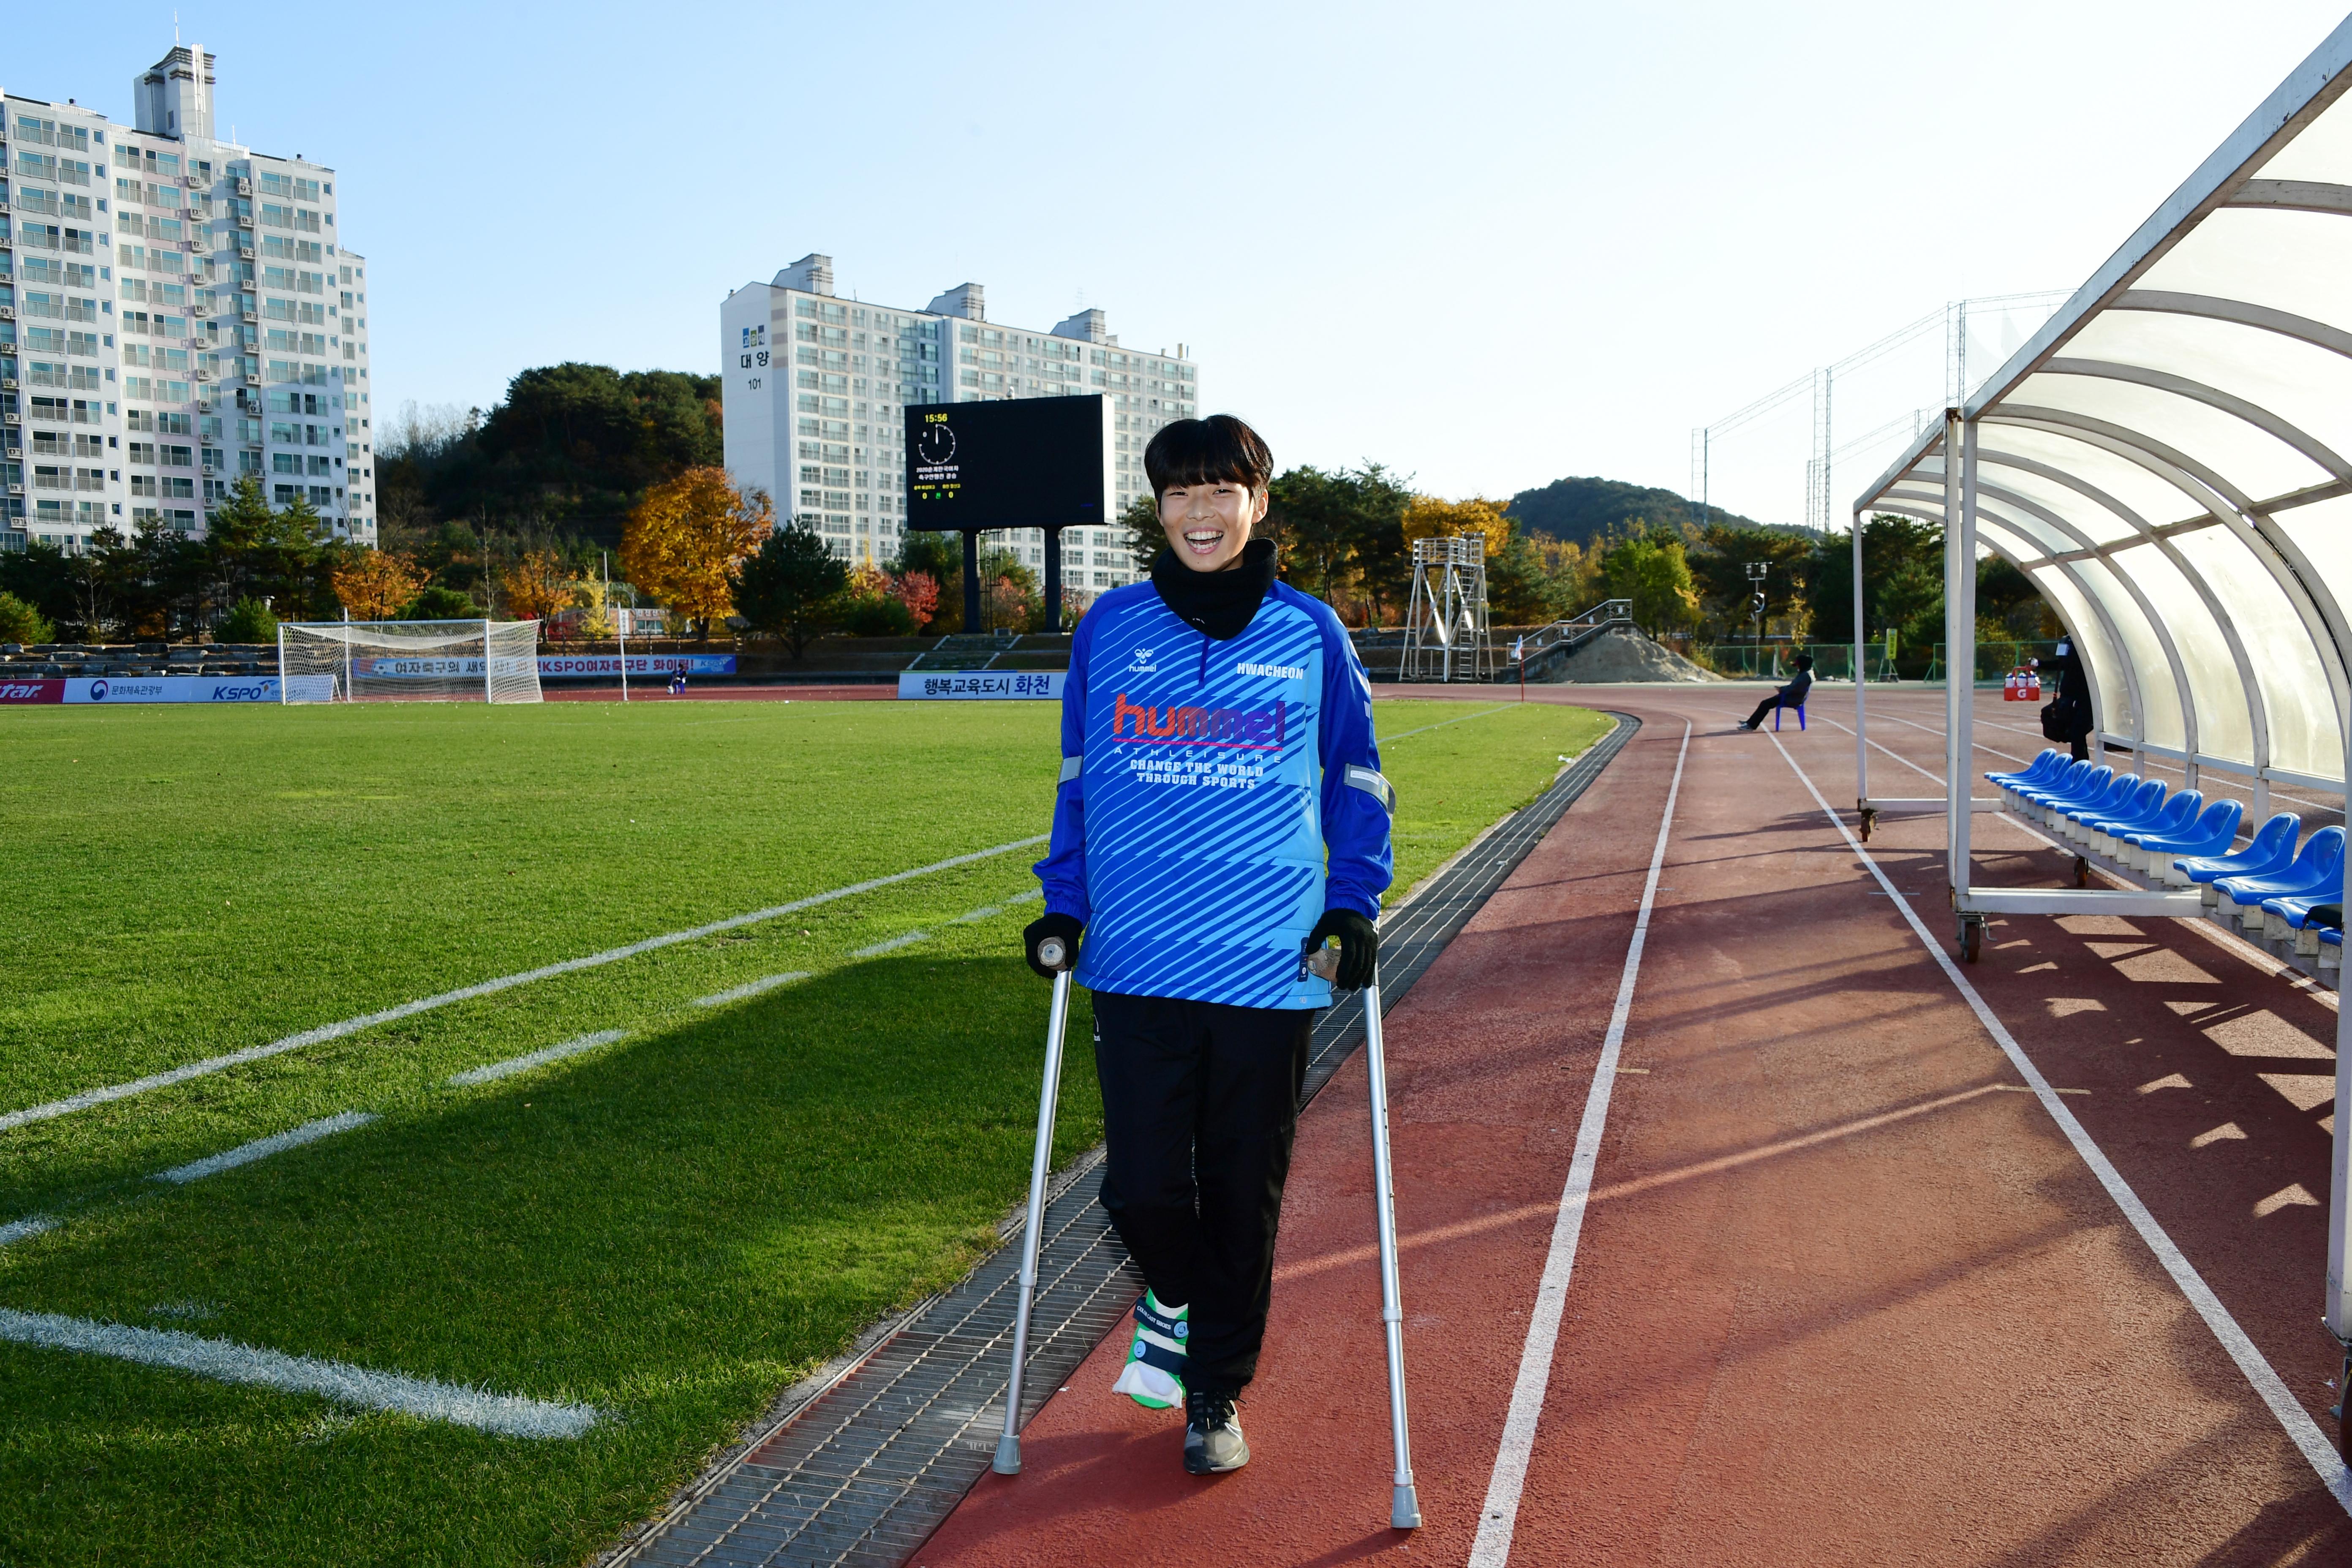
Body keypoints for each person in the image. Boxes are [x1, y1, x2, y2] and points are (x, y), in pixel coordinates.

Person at [1024, 414, 1393, 1478]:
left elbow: (1354, 778)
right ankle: (1174, 1304)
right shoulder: (1111, 628)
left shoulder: (1310, 631)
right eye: (1179, 491)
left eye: (1220, 490)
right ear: (1158, 505)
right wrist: (1066, 900)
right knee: (1138, 1191)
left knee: (1242, 1194)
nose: (1200, 510)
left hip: (1266, 964)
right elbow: (1079, 779)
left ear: (1256, 503)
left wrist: (1351, 904)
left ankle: (1213, 1394)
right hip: (1136, 957)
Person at [1736, 652, 1813, 730]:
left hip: (1793, 699)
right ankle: (1750, 722)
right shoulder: (1806, 673)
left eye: (1798, 665)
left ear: (1803, 665)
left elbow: (1795, 688)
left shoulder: (1805, 676)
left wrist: (1782, 690)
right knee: (1766, 703)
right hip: (1792, 696)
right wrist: (1783, 689)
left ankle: (1751, 726)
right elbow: (1794, 687)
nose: (1798, 668)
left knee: (1765, 704)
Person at [2046, 639, 2093, 761]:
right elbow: (2061, 664)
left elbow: (2070, 664)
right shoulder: (2066, 640)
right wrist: (2040, 665)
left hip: (2085, 696)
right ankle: (2080, 763)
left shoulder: (2087, 641)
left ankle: (2079, 763)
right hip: (2068, 697)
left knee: (2078, 732)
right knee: (2073, 732)